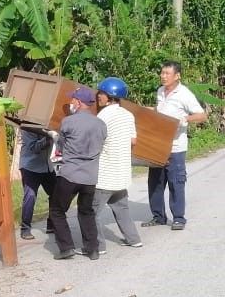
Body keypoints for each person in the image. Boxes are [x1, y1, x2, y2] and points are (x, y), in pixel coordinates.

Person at [47, 86, 106, 260]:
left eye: (73, 100)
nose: (71, 103)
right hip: (90, 177)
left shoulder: (68, 122)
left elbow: (62, 145)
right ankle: (92, 249)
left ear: (78, 103)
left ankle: (66, 248)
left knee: (57, 210)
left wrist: (54, 136)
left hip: (70, 175)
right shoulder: (100, 124)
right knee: (86, 211)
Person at [146, 61, 205, 231]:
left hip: (176, 147)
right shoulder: (160, 91)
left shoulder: (184, 94)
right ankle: (158, 216)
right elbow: (160, 111)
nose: (163, 76)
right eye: (162, 73)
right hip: (158, 145)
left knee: (175, 183)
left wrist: (184, 119)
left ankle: (179, 218)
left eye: (167, 73)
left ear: (177, 76)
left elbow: (202, 115)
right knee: (155, 183)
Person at [93, 76, 142, 251]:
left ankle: (97, 246)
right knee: (121, 208)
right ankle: (134, 239)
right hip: (122, 173)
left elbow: (96, 140)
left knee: (92, 212)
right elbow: (133, 141)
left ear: (110, 96)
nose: (98, 96)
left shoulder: (103, 115)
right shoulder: (128, 115)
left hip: (105, 175)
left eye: (102, 93)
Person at [17, 126, 55, 240]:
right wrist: (49, 137)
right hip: (30, 166)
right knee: (30, 196)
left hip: (47, 166)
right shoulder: (27, 127)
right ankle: (25, 229)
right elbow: (34, 147)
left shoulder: (50, 125)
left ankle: (52, 224)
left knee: (56, 194)